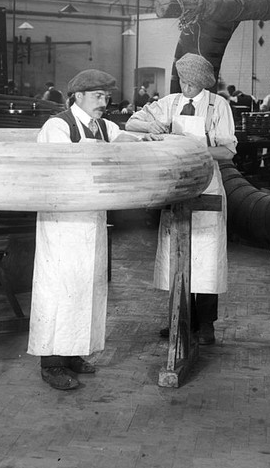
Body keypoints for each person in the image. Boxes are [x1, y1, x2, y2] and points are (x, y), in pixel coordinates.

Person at [29, 69, 148, 391]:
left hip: (91, 218)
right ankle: (51, 363)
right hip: (63, 220)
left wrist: (144, 139)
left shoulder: (101, 126)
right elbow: (58, 168)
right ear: (77, 96)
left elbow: (123, 136)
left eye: (106, 97)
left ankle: (74, 352)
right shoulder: (58, 126)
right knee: (60, 287)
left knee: (87, 287)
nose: (104, 102)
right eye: (97, 96)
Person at [125, 53, 237, 346]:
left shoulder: (218, 106)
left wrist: (191, 147)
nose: (185, 88)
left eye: (191, 85)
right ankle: (180, 317)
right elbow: (132, 123)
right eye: (182, 82)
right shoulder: (170, 103)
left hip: (207, 183)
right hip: (178, 183)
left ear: (202, 85)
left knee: (207, 257)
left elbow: (227, 152)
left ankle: (206, 323)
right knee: (178, 251)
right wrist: (152, 128)